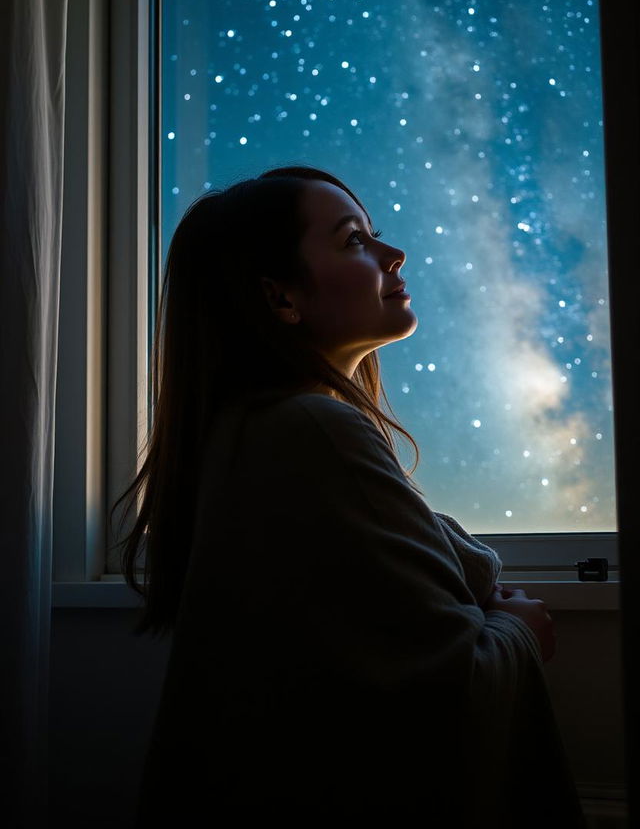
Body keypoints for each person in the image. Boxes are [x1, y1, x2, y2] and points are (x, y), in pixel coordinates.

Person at [112, 165, 586, 826]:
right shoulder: (310, 431)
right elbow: (440, 700)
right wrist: (520, 631)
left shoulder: (258, 431)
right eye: (354, 240)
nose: (395, 255)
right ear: (281, 298)